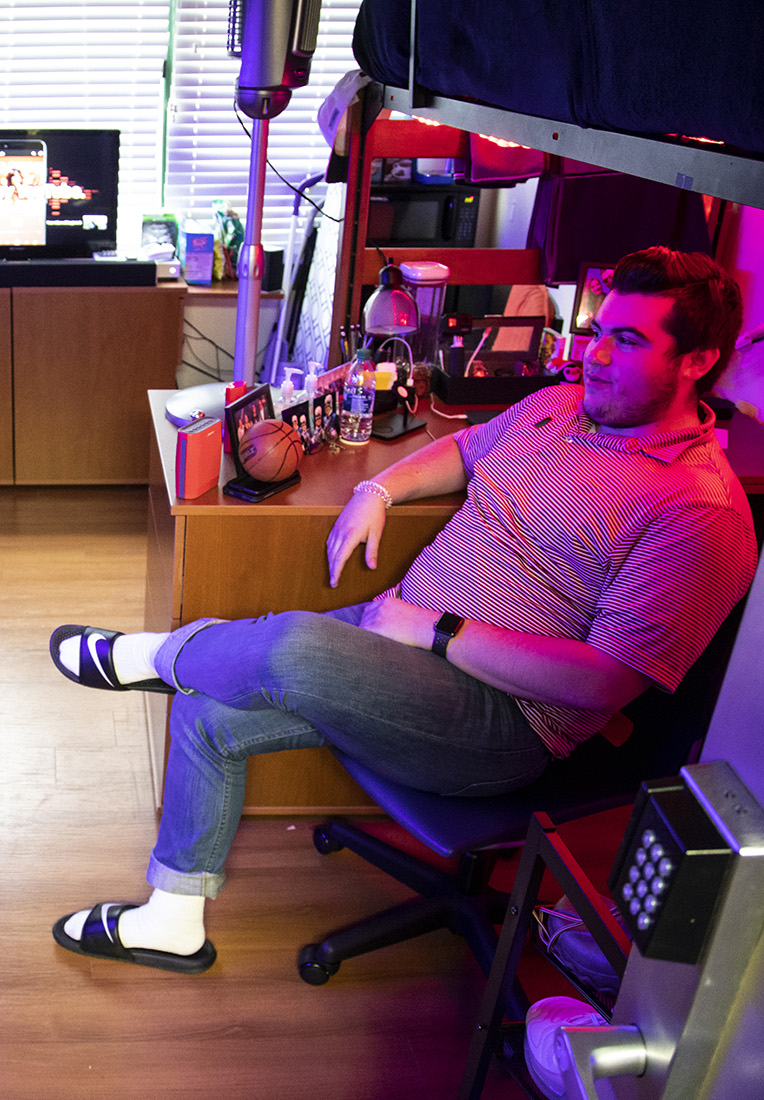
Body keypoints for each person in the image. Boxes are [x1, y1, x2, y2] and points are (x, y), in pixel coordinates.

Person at [47, 247, 758, 972]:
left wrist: (435, 629)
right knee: (209, 705)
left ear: (697, 361)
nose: (597, 356)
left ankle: (146, 658)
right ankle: (173, 920)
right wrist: (377, 491)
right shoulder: (561, 405)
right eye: (600, 331)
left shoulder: (699, 512)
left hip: (500, 720)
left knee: (289, 644)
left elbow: (603, 682)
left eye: (629, 341)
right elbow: (464, 452)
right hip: (398, 643)